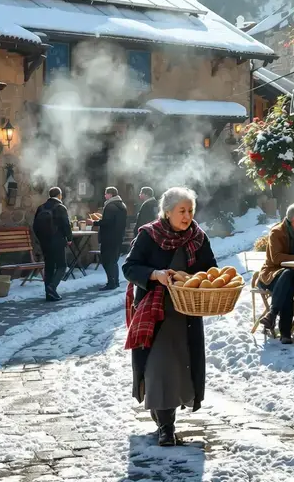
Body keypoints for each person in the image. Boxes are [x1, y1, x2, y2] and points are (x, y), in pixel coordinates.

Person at [122, 187, 216, 447]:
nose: (187, 217)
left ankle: (165, 418)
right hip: (156, 312)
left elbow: (211, 268)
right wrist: (155, 275)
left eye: (190, 211)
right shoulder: (149, 235)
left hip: (187, 311)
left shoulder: (198, 237)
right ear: (167, 212)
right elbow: (129, 268)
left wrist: (207, 280)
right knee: (160, 368)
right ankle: (166, 426)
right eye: (181, 211)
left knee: (183, 365)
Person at [253, 204, 294, 344]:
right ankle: (285, 333)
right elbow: (276, 258)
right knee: (287, 280)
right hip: (272, 276)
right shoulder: (276, 232)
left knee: (288, 279)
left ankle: (272, 314)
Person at [33, 187, 73, 302]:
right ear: (59, 195)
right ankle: (52, 287)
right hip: (58, 241)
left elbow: (35, 225)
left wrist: (40, 238)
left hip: (44, 242)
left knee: (49, 267)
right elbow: (66, 224)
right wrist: (69, 238)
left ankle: (49, 294)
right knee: (62, 266)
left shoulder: (41, 207)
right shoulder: (60, 207)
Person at [98, 186, 129, 290]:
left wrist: (94, 222)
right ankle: (115, 281)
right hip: (118, 236)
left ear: (110, 194)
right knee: (114, 260)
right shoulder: (122, 205)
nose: (105, 195)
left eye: (106, 193)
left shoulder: (110, 206)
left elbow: (107, 222)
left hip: (108, 237)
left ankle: (111, 282)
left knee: (106, 260)